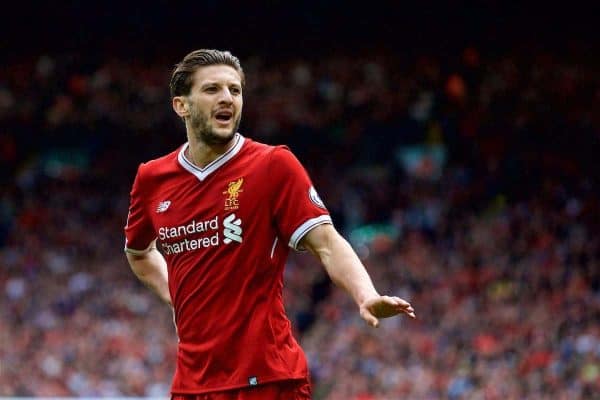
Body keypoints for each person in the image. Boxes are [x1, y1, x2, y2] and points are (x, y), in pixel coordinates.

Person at [124, 49, 415, 400]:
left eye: (235, 90)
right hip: (192, 386)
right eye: (212, 89)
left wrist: (365, 294)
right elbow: (139, 252)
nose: (227, 98)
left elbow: (327, 242)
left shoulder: (273, 165)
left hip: (267, 380)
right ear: (181, 106)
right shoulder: (152, 178)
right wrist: (182, 297)